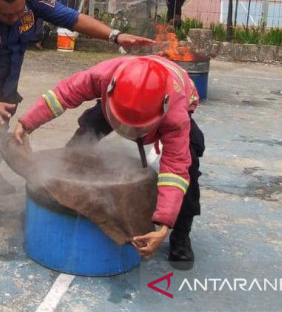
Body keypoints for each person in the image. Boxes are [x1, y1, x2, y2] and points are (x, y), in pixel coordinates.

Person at [0, 0, 154, 227]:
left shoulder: (33, 0)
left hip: (6, 82)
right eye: (6, 15)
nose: (14, 18)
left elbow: (72, 19)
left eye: (18, 13)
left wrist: (115, 36)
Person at [13, 55, 204, 270]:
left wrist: (164, 225)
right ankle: (55, 196)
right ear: (109, 89)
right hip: (117, 103)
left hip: (170, 104)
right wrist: (27, 122)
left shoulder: (175, 115)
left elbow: (175, 170)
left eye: (135, 129)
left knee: (189, 164)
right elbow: (62, 95)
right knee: (88, 129)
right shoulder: (103, 76)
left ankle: (181, 234)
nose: (127, 132)